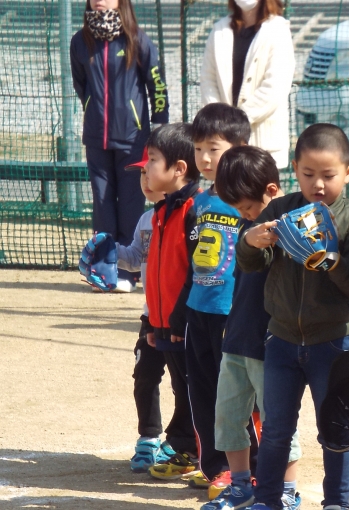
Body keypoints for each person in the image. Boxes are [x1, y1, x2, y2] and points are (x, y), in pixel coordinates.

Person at [235, 124, 349, 510]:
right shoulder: (280, 210)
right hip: (281, 341)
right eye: (308, 174)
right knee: (277, 430)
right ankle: (266, 500)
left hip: (334, 343)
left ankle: (337, 502)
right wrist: (250, 241)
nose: (318, 183)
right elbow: (252, 263)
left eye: (328, 175)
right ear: (295, 169)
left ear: (348, 172)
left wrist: (330, 259)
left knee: (336, 429)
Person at [150, 103, 260, 494]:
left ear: (240, 147)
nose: (205, 158)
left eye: (214, 148)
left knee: (240, 396)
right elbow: (194, 264)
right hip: (199, 312)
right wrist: (181, 313)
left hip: (234, 314)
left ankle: (250, 469)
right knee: (202, 393)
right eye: (199, 149)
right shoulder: (198, 202)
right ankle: (216, 467)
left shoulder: (251, 201)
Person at [202, 145, 302, 510]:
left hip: (271, 343)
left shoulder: (292, 229)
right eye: (239, 210)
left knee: (278, 422)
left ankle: (288, 491)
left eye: (247, 208)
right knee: (229, 418)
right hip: (237, 339)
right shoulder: (249, 228)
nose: (244, 215)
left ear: (272, 191)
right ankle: (241, 486)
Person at [70, 0, 169, 292]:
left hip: (134, 138)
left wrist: (159, 123)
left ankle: (128, 272)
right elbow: (80, 84)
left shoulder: (137, 38)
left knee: (130, 204)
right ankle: (104, 271)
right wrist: (94, 110)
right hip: (95, 139)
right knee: (102, 204)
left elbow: (156, 83)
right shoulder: (80, 41)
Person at [140, 123, 202, 478]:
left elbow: (195, 272)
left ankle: (214, 459)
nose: (146, 167)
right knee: (182, 387)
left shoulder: (195, 209)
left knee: (197, 389)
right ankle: (186, 448)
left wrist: (181, 318)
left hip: (186, 322)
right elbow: (157, 274)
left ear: (179, 168)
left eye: (153, 160)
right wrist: (153, 321)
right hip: (164, 322)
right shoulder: (161, 211)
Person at [116, 148, 175, 473]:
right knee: (145, 376)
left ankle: (183, 441)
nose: (145, 178)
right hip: (151, 315)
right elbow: (134, 258)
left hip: (180, 317)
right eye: (141, 172)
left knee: (185, 383)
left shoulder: (188, 214)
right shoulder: (145, 219)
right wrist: (110, 251)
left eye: (150, 169)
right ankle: (149, 437)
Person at [200, 0, 294, 170]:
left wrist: (237, 121)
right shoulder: (219, 30)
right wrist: (220, 121)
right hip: (224, 144)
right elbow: (208, 79)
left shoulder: (278, 29)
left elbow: (275, 87)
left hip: (265, 145)